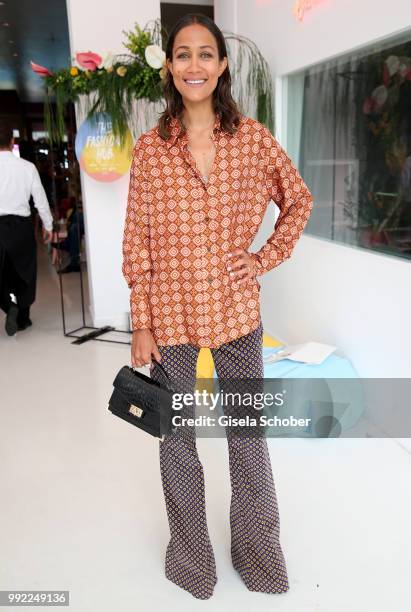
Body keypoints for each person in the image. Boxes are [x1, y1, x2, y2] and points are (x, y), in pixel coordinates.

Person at [122, 13, 314, 600]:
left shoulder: (252, 140)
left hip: (235, 314)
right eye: (183, 54)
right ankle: (190, 559)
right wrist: (142, 321)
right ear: (170, 67)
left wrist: (260, 260)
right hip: (173, 316)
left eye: (207, 54)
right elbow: (137, 238)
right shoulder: (153, 150)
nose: (195, 65)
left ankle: (256, 553)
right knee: (177, 443)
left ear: (223, 65)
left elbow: (298, 200)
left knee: (247, 439)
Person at [0, 122, 53, 336]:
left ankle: (7, 305)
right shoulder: (27, 167)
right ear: (13, 143)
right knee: (25, 273)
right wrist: (48, 225)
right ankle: (23, 318)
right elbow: (40, 200)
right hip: (21, 227)